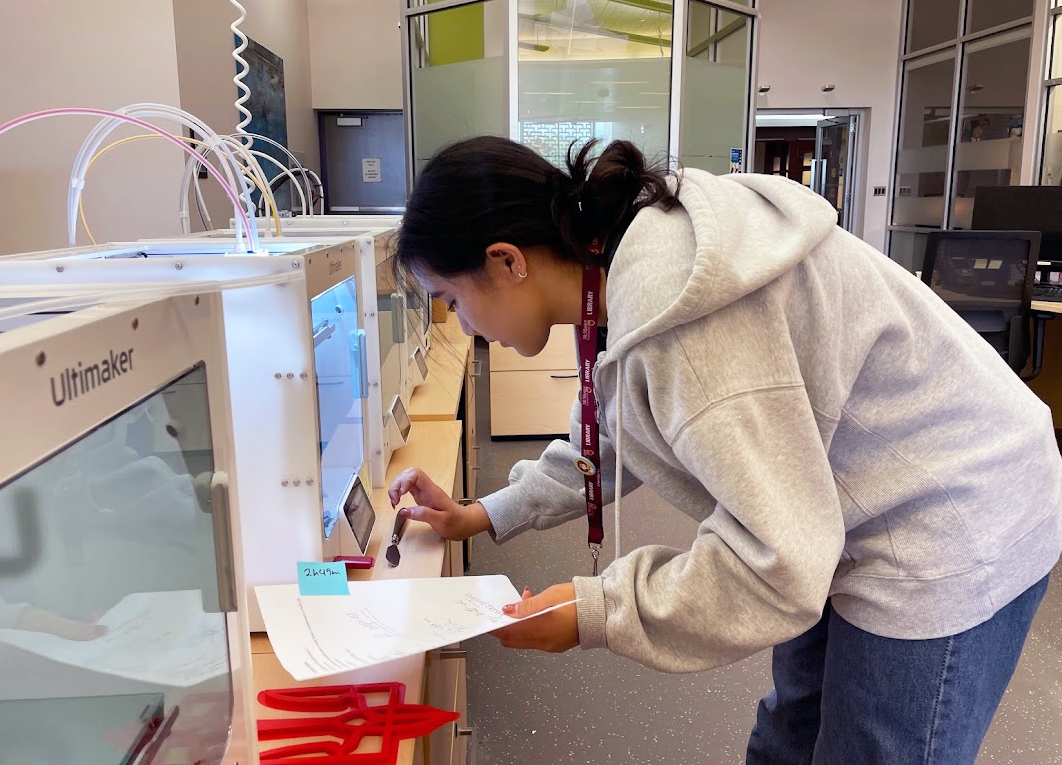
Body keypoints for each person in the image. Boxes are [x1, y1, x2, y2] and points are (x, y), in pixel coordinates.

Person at [387, 135, 1062, 763]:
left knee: (868, 746)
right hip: (843, 503)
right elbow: (614, 431)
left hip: (954, 510)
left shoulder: (676, 312)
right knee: (789, 734)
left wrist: (595, 611)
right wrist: (484, 513)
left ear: (506, 261)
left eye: (452, 299)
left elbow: (776, 567)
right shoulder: (620, 258)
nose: (464, 326)